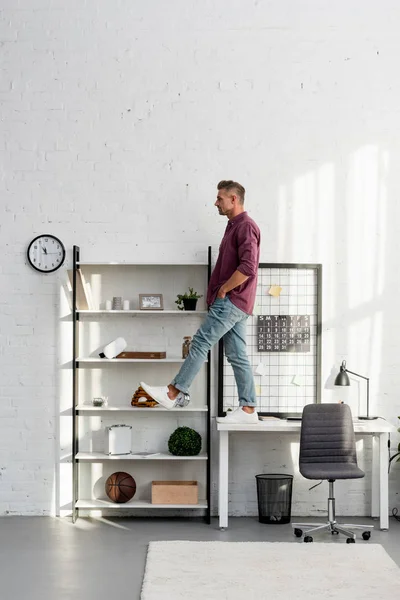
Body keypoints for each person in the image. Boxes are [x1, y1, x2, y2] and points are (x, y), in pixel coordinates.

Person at [140, 180, 261, 424]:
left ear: (234, 199)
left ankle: (173, 392)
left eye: (220, 198)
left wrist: (224, 289)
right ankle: (248, 409)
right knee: (237, 355)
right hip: (237, 303)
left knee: (200, 343)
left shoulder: (246, 226)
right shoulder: (233, 226)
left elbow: (248, 267)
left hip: (232, 301)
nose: (215, 202)